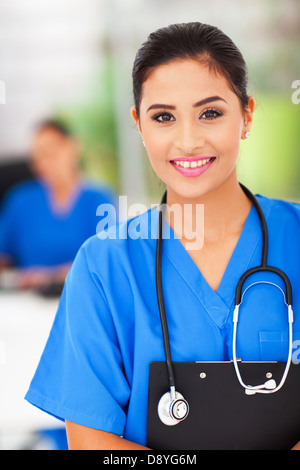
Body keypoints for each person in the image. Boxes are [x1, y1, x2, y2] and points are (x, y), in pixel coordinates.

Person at [25, 23, 300, 450]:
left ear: (246, 115)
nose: (187, 141)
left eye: (210, 113)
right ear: (139, 123)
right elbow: (92, 443)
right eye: (164, 117)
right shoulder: (104, 265)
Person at [0, 119, 117, 290]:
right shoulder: (20, 200)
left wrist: (50, 277)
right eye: (38, 156)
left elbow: (105, 261)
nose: (44, 163)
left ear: (73, 147)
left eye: (51, 152)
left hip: (81, 296)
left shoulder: (99, 199)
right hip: (27, 302)